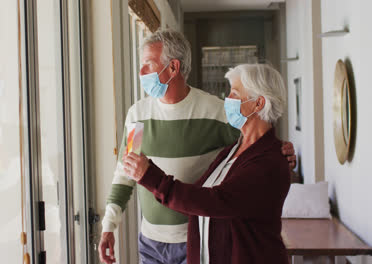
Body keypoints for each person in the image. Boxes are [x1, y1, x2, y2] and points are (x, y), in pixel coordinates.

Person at [98, 29, 296, 264]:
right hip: (150, 244)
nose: (141, 73)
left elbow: (253, 143)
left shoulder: (217, 112)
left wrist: (282, 149)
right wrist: (109, 225)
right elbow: (125, 172)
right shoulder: (136, 116)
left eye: (149, 65)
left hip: (196, 240)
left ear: (173, 67)